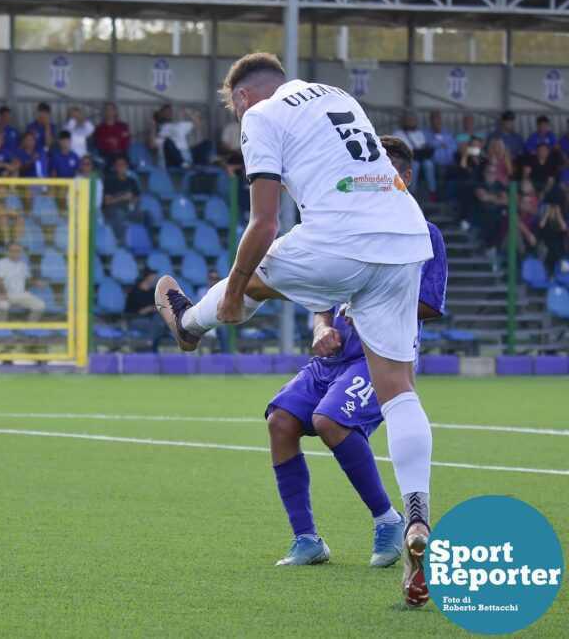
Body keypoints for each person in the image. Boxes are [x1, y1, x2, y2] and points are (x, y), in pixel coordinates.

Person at [154, 53, 436, 608]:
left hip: (341, 239)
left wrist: (235, 292)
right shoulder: (339, 95)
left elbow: (264, 222)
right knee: (399, 390)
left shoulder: (259, 117)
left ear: (241, 99)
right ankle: (418, 514)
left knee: (252, 278)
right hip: (405, 238)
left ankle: (189, 323)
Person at [261, 135, 447, 572]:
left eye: (386, 174)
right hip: (332, 357)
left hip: (378, 357)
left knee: (330, 420)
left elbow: (429, 304)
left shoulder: (423, 234)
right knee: (280, 421)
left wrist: (366, 309)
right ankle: (306, 539)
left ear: (403, 179)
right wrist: (323, 325)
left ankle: (389, 520)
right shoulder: (347, 226)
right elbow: (323, 293)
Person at [0, 243, 44, 320]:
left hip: (20, 294)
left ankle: (29, 327)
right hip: (4, 293)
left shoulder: (23, 265)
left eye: (18, 251)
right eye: (12, 251)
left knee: (40, 305)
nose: (15, 253)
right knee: (3, 306)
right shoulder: (1, 263)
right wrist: (2, 293)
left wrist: (36, 283)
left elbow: (29, 279)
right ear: (7, 252)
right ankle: (0, 328)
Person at [152, 104, 212, 168]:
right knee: (168, 142)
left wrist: (189, 113)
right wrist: (152, 127)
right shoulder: (161, 130)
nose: (168, 114)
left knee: (207, 143)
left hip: (187, 153)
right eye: (166, 112)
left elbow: (198, 124)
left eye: (170, 111)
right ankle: (183, 164)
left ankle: (200, 165)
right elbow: (152, 145)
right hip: (173, 158)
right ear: (160, 115)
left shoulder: (180, 125)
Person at [395, 113, 436, 197]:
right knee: (415, 165)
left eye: (413, 120)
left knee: (429, 164)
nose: (411, 122)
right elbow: (396, 149)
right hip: (406, 159)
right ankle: (412, 193)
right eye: (409, 120)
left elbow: (423, 146)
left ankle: (433, 192)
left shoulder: (419, 133)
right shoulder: (398, 133)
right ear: (404, 121)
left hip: (420, 157)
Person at [101, 155, 142, 238]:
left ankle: (148, 242)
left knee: (146, 215)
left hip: (129, 208)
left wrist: (133, 200)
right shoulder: (109, 180)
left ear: (127, 166)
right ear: (115, 167)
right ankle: (121, 242)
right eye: (118, 165)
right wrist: (122, 197)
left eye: (123, 165)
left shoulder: (132, 181)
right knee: (119, 214)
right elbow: (107, 202)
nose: (121, 167)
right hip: (113, 209)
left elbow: (138, 197)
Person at [124, 269, 160, 352]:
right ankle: (150, 345)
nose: (156, 279)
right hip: (135, 319)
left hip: (152, 319)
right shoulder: (134, 292)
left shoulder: (153, 292)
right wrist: (147, 309)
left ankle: (148, 343)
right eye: (154, 277)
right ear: (147, 278)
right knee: (158, 326)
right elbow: (133, 312)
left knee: (159, 320)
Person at [426, 111, 457, 197]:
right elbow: (428, 146)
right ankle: (436, 195)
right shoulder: (426, 133)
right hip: (435, 163)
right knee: (439, 170)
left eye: (438, 119)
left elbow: (454, 148)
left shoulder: (447, 133)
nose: (437, 122)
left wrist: (442, 145)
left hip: (450, 163)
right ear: (431, 121)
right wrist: (440, 144)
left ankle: (450, 199)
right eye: (435, 119)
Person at [94, 102, 131, 166]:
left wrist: (115, 143)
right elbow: (99, 144)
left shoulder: (123, 126)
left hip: (121, 154)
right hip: (106, 155)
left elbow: (126, 142)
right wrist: (110, 142)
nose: (109, 112)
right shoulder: (99, 128)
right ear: (104, 112)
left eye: (111, 109)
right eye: (107, 110)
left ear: (115, 112)